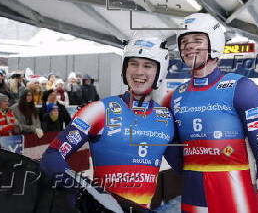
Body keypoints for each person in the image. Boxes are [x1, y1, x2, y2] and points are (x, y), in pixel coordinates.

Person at [40, 37, 174, 208]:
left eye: (147, 65)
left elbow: (188, 164)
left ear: (159, 72)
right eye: (133, 64)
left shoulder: (167, 118)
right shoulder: (98, 110)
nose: (139, 72)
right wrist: (78, 188)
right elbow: (52, 155)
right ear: (125, 68)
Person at [168, 13, 258, 213]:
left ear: (215, 43)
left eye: (197, 40)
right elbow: (170, 148)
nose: (189, 46)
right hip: (192, 200)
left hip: (236, 200)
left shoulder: (242, 88)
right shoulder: (176, 95)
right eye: (184, 42)